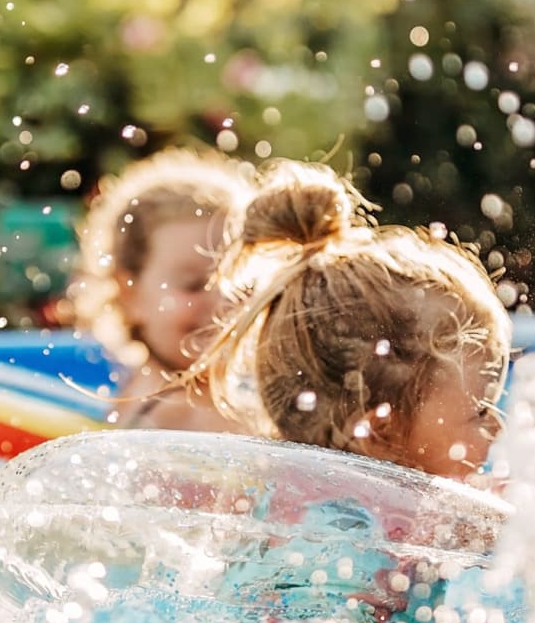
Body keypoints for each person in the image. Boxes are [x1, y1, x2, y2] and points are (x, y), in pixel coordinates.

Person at [188, 158, 512, 485]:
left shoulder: (274, 495)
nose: (499, 428)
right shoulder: (371, 529)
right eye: (480, 410)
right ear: (379, 434)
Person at [66, 147, 255, 430]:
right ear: (128, 293)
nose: (224, 301)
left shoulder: (240, 395)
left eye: (241, 280)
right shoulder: (167, 416)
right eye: (194, 285)